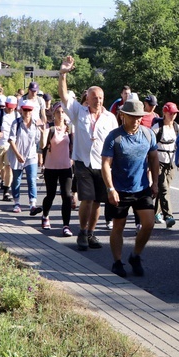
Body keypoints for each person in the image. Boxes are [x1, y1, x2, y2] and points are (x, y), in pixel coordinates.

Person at [58, 55, 118, 251]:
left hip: (103, 164)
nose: (98, 100)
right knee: (87, 199)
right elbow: (64, 96)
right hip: (83, 162)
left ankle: (91, 233)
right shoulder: (78, 112)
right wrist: (63, 74)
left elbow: (115, 142)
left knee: (98, 202)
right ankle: (82, 232)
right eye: (94, 97)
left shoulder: (110, 118)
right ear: (88, 98)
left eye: (100, 98)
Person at [101, 99, 159, 278]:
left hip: (141, 187)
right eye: (132, 117)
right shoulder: (114, 137)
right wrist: (111, 189)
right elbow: (105, 164)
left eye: (139, 117)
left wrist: (155, 182)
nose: (136, 120)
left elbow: (154, 159)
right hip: (120, 189)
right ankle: (117, 262)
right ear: (123, 115)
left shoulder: (148, 134)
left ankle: (135, 255)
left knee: (148, 223)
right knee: (119, 225)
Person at [41, 103, 74, 235]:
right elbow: (43, 145)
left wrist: (73, 159)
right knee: (51, 194)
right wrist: (43, 133)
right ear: (53, 114)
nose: (60, 114)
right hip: (51, 167)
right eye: (58, 112)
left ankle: (66, 225)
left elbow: (74, 145)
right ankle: (45, 215)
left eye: (62, 112)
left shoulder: (69, 129)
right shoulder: (50, 128)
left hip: (66, 167)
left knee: (67, 196)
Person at [8, 100, 43, 216]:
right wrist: (18, 155)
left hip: (31, 156)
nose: (27, 112)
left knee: (32, 179)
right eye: (25, 110)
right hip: (17, 155)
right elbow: (11, 140)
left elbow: (39, 142)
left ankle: (33, 204)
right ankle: (17, 203)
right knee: (17, 180)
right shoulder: (16, 123)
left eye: (29, 110)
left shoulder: (36, 124)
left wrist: (42, 130)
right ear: (21, 110)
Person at [151, 102, 179, 228]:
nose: (173, 115)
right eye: (171, 113)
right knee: (164, 188)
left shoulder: (177, 128)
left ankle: (156, 212)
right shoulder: (156, 128)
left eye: (175, 113)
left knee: (163, 189)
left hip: (171, 163)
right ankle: (169, 216)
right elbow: (150, 147)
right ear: (164, 113)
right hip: (157, 162)